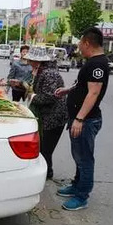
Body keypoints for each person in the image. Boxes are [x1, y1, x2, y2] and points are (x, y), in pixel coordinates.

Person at [55, 27, 109, 211]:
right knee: (78, 157)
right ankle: (76, 185)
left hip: (86, 120)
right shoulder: (91, 62)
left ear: (87, 43)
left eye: (80, 43)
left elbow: (93, 93)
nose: (78, 47)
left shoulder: (97, 64)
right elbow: (82, 86)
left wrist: (79, 119)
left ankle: (82, 196)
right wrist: (68, 90)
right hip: (80, 118)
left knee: (85, 159)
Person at [25, 47, 68, 180]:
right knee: (42, 148)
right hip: (47, 116)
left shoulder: (49, 73)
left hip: (54, 116)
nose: (28, 62)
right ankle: (45, 173)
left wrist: (32, 96)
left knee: (45, 149)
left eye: (30, 60)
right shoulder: (41, 71)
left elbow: (50, 97)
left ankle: (46, 174)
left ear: (37, 61)